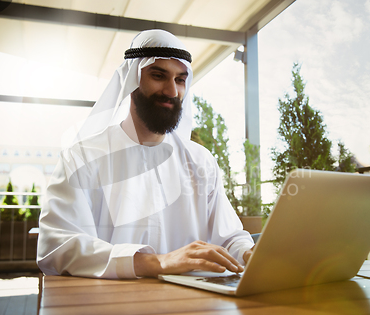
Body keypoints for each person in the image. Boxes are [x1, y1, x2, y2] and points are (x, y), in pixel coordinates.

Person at [37, 29, 255, 279]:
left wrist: (249, 254)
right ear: (132, 80)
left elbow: (229, 238)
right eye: (159, 76)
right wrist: (158, 263)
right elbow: (59, 247)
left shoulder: (200, 160)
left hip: (195, 305)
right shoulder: (82, 158)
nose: (172, 91)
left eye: (180, 80)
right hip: (110, 304)